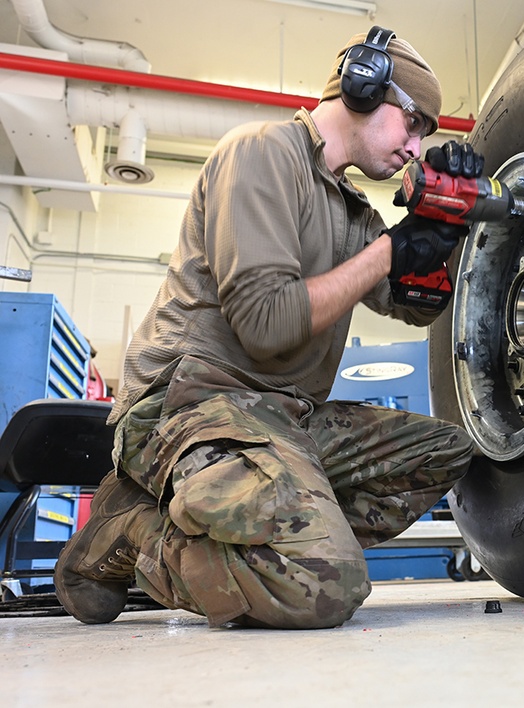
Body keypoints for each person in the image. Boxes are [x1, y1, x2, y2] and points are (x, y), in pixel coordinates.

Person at [54, 27, 478, 629]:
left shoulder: (355, 214)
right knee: (324, 590)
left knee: (445, 451)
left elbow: (415, 307)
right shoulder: (260, 153)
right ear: (364, 86)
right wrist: (389, 251)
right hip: (188, 405)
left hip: (282, 419)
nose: (416, 147)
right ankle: (130, 529)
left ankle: (252, 533)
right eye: (414, 124)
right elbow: (266, 324)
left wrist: (443, 225)